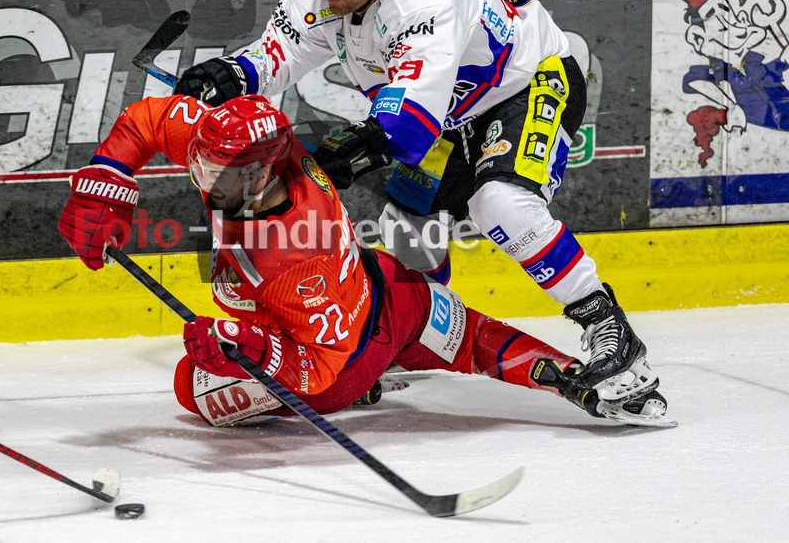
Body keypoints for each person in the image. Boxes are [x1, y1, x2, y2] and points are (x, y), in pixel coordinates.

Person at [171, 0, 667, 417]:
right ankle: (409, 343)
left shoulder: (424, 5)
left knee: (500, 204)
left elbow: (405, 130)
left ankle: (606, 324)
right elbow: (279, 55)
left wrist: (337, 160)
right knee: (406, 224)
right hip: (454, 112)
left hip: (526, 82)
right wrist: (229, 75)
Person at [58, 93, 671, 428]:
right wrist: (105, 181)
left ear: (257, 176)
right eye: (203, 163)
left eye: (216, 173)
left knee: (193, 389)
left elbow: (318, 370)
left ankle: (371, 384)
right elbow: (144, 121)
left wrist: (248, 347)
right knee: (472, 340)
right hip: (393, 293)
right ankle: (591, 383)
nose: (201, 177)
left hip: (344, 357)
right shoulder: (236, 150)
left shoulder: (297, 253)